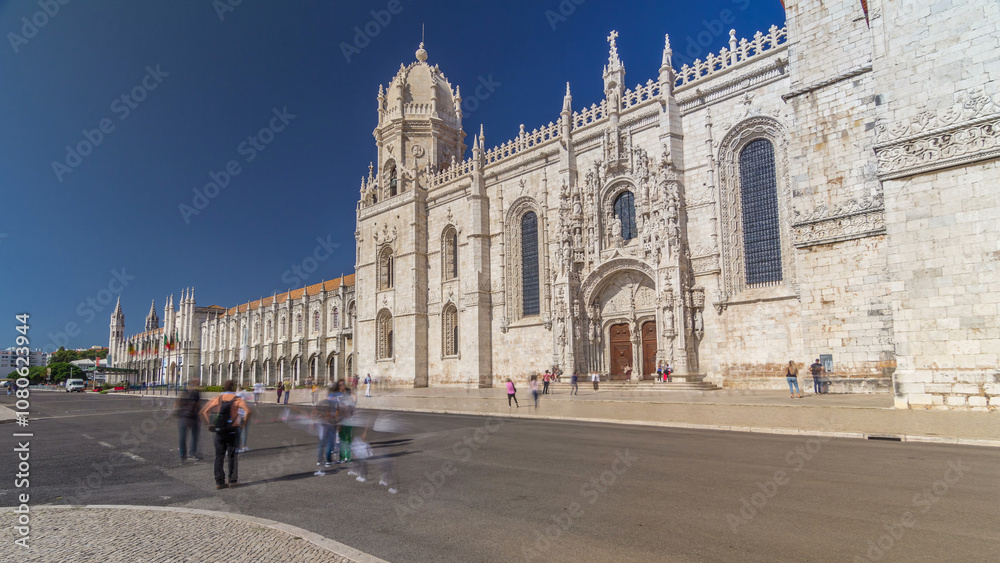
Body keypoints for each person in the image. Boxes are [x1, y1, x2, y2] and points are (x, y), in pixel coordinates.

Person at [200, 380, 250, 489]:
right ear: (233, 388)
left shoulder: (218, 398)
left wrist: (210, 424)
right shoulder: (237, 399)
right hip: (232, 430)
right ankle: (232, 480)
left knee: (219, 456)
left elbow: (204, 411)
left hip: (220, 430)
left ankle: (219, 481)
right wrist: (243, 424)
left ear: (224, 388)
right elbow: (248, 411)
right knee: (232, 455)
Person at [313, 384, 339, 475]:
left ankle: (320, 460)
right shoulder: (333, 403)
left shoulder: (322, 402)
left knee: (322, 442)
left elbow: (315, 411)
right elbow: (334, 415)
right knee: (330, 442)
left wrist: (313, 422)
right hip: (329, 424)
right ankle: (328, 460)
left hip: (321, 424)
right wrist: (336, 423)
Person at [175, 377, 203, 461]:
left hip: (183, 417)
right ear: (195, 383)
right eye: (198, 382)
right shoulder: (196, 393)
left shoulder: (184, 392)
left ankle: (182, 454)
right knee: (194, 437)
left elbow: (177, 403)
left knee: (182, 437)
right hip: (193, 417)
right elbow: (197, 406)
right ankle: (192, 453)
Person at [236, 388, 253, 453]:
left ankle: (240, 446)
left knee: (240, 431)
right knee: (243, 431)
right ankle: (242, 446)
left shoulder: (237, 395)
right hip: (244, 415)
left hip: (241, 414)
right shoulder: (243, 395)